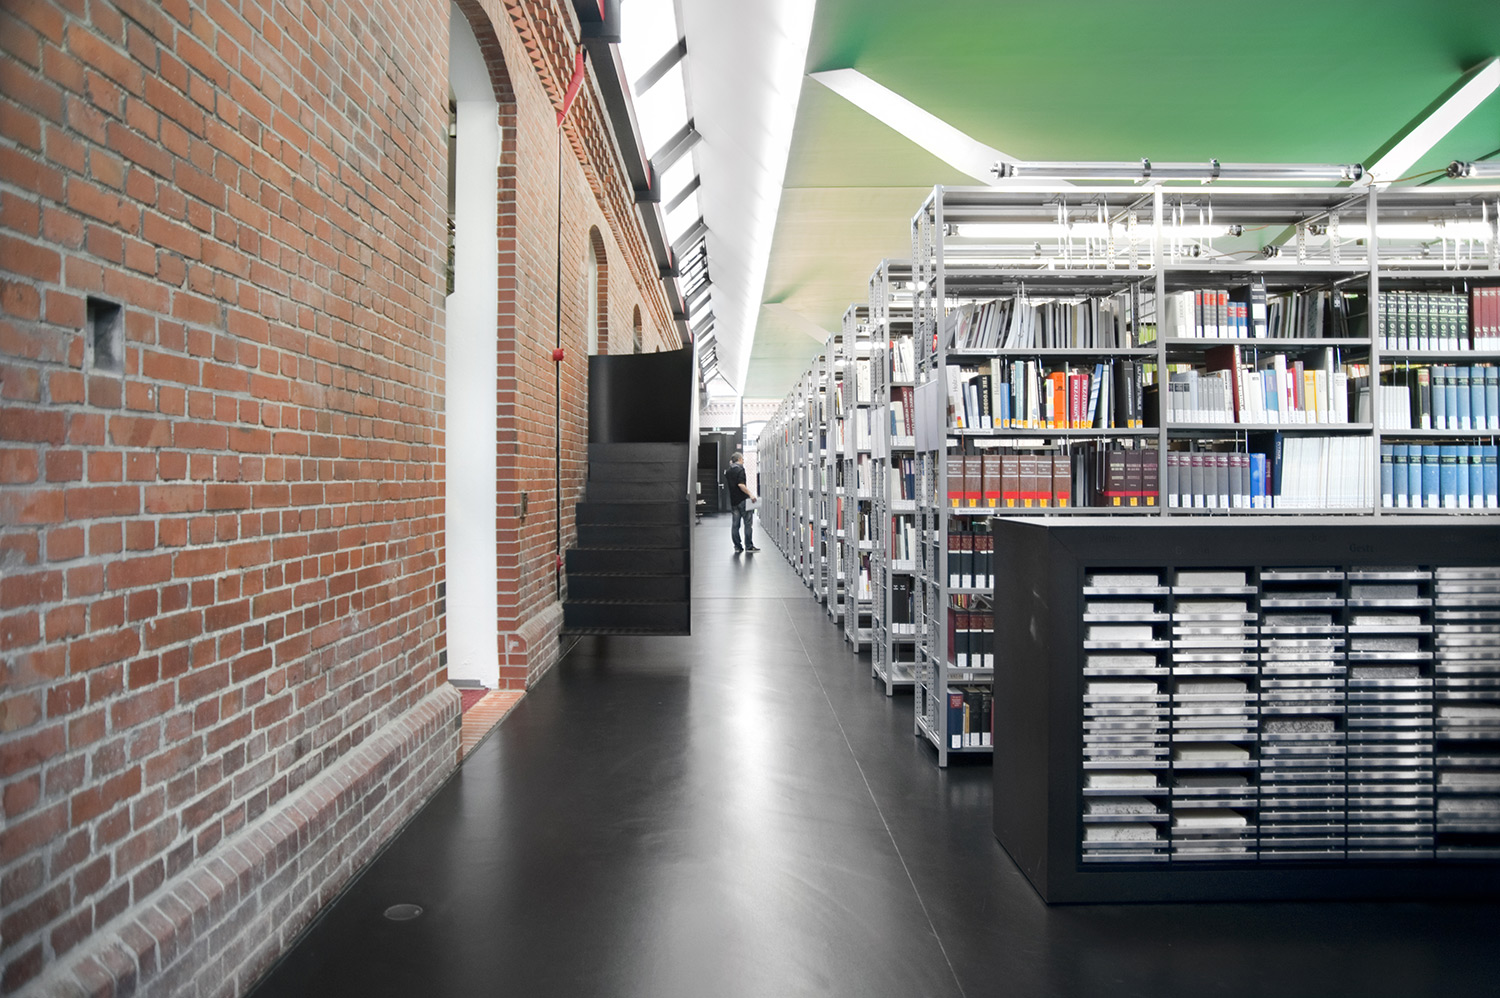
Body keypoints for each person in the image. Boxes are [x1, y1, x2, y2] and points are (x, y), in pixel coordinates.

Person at [724, 452, 759, 553]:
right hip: (743, 500)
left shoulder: (728, 471)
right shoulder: (740, 470)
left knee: (735, 525)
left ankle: (737, 546)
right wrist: (751, 494)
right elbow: (741, 485)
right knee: (748, 524)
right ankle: (749, 546)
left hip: (734, 501)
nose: (743, 461)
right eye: (742, 459)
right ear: (739, 459)